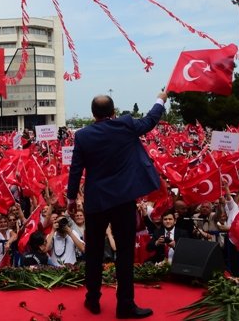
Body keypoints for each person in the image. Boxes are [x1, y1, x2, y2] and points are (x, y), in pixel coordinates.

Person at [68, 92, 167, 319]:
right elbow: (150, 120)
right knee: (124, 253)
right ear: (113, 112)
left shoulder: (82, 136)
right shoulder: (126, 125)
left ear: (93, 114)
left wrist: (72, 200)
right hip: (123, 201)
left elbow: (76, 170)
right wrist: (161, 99)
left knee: (93, 252)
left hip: (96, 202)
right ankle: (125, 305)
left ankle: (92, 299)